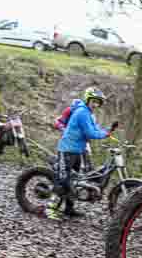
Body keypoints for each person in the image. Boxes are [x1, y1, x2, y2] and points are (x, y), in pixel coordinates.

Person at [45, 87, 117, 220]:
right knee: (63, 181)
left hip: (77, 150)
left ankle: (69, 209)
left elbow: (95, 129)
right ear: (87, 99)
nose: (95, 105)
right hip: (67, 149)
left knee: (75, 181)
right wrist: (105, 134)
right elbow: (90, 133)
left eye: (98, 102)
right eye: (93, 101)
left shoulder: (89, 113)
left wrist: (107, 132)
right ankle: (50, 210)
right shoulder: (82, 112)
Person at [53, 100, 93, 172]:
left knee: (86, 156)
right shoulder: (68, 111)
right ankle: (58, 167)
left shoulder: (86, 114)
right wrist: (63, 128)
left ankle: (87, 171)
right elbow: (58, 122)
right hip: (68, 139)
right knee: (66, 162)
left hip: (80, 140)